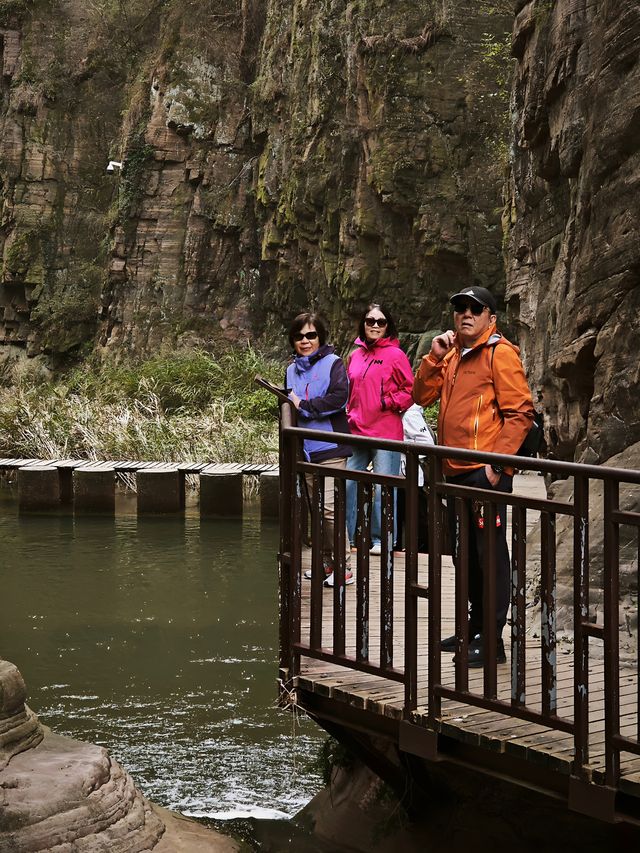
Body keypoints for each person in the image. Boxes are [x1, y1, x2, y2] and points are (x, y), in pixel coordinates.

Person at [412, 286, 534, 668]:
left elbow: (520, 413)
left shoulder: (500, 354)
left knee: (489, 554)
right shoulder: (450, 355)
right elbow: (421, 396)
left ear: (489, 317)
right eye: (459, 308)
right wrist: (433, 358)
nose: (465, 314)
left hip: (484, 476)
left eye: (474, 309)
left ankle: (493, 638)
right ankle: (474, 627)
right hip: (454, 471)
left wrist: (497, 465)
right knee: (464, 556)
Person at [286, 312, 353, 587]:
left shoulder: (333, 363)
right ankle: (327, 563)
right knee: (316, 509)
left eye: (311, 335)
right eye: (300, 336)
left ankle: (344, 567)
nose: (305, 340)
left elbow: (339, 398)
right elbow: (289, 402)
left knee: (329, 509)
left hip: (331, 446)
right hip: (307, 449)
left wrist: (304, 406)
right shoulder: (291, 369)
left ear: (320, 338)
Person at [346, 303, 414, 554]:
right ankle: (348, 539)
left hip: (385, 431)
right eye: (370, 320)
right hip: (356, 429)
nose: (374, 325)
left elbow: (411, 391)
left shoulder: (396, 355)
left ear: (388, 326)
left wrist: (387, 402)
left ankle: (381, 540)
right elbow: (350, 388)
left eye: (380, 321)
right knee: (348, 482)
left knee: (383, 487)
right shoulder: (355, 354)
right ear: (363, 324)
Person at [395, 404, 435, 552]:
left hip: (410, 473)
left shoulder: (410, 414)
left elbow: (427, 442)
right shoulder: (403, 411)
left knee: (417, 515)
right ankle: (402, 547)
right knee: (402, 513)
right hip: (402, 474)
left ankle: (422, 549)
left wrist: (402, 446)